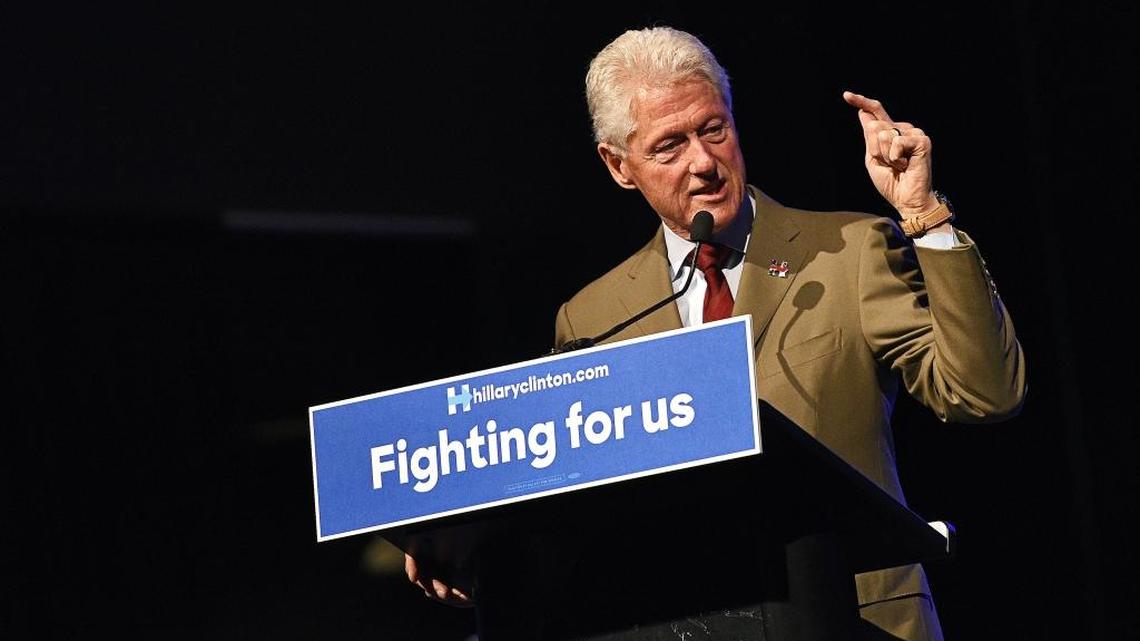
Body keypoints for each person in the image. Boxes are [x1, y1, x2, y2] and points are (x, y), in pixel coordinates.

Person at [408, 25, 1026, 641]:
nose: (704, 162)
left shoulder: (847, 252)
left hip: (856, 622)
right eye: (669, 146)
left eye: (713, 129)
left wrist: (924, 215)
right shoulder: (592, 318)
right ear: (619, 166)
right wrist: (474, 549)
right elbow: (579, 509)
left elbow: (983, 391)